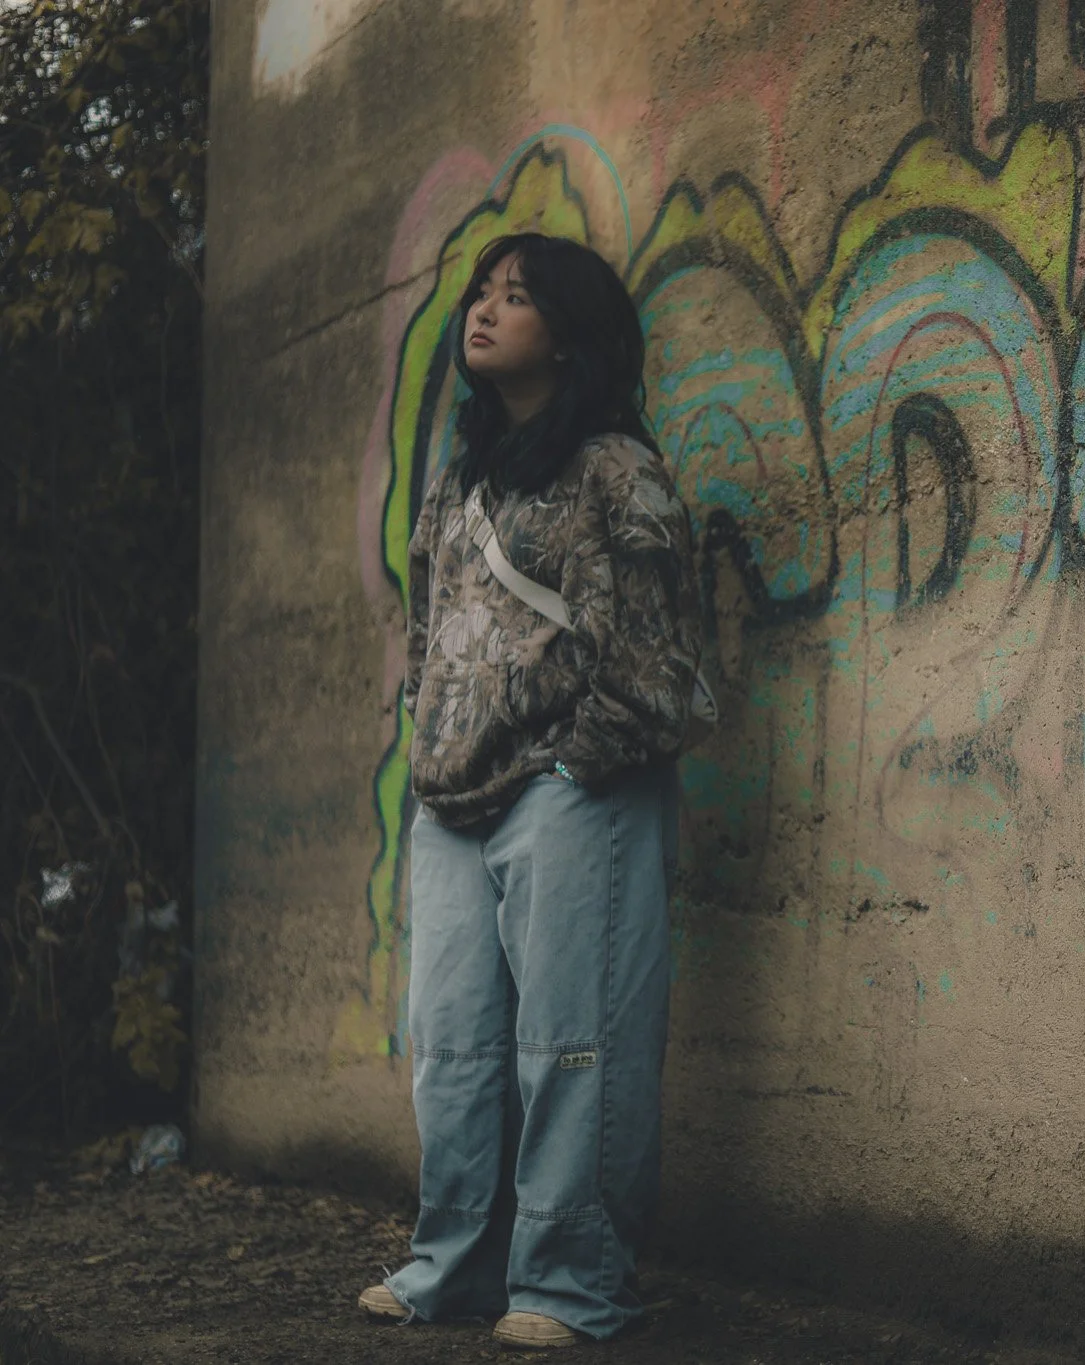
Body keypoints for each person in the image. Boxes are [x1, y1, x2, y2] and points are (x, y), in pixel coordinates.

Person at [356, 233, 709, 1349]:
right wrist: (429, 748)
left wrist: (567, 760)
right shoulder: (459, 480)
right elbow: (427, 635)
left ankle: (567, 1283)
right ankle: (454, 1266)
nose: (485, 311)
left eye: (518, 297)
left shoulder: (615, 469)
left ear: (570, 332)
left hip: (573, 789)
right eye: (480, 293)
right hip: (452, 799)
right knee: (453, 1046)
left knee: (574, 1047)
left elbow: (660, 663)